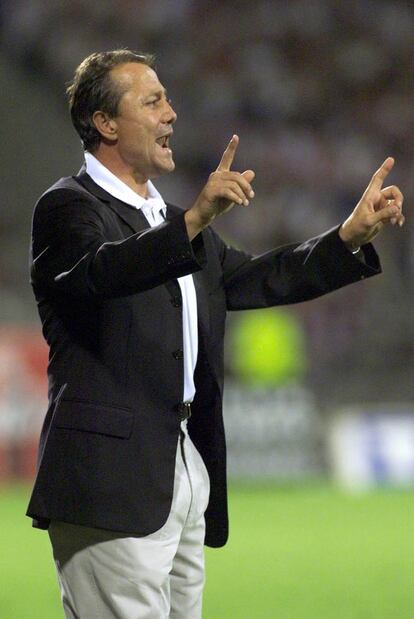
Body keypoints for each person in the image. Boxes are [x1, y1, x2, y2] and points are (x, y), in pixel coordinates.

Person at [26, 49, 404, 619]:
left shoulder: (166, 218)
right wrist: (194, 221)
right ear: (105, 124)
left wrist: (347, 236)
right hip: (110, 484)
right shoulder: (68, 207)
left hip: (181, 468)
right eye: (152, 101)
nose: (171, 114)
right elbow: (100, 275)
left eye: (168, 99)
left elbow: (258, 279)